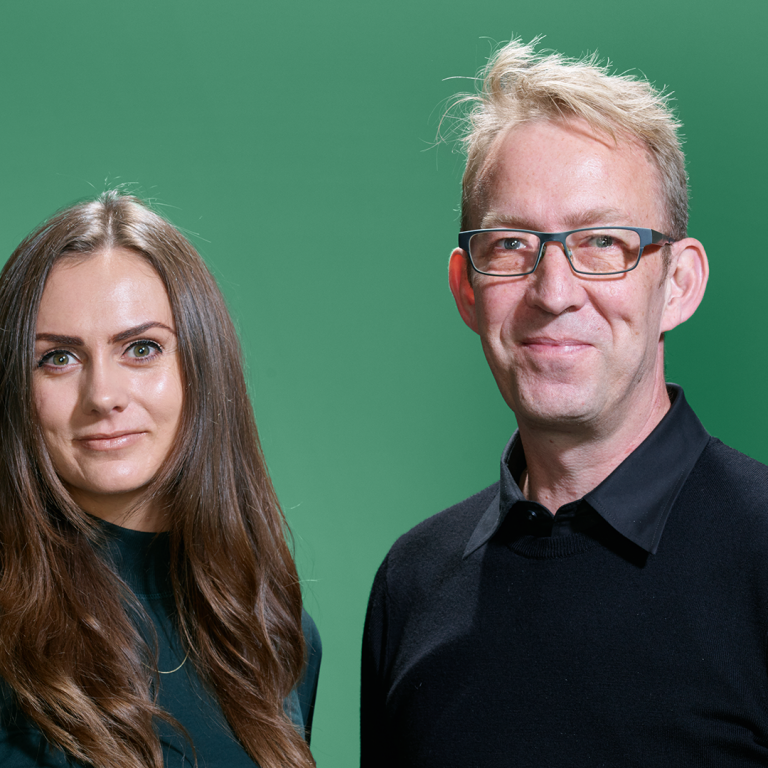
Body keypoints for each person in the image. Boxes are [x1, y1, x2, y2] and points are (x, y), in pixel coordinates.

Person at [361, 37, 768, 766]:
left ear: (677, 283)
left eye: (603, 243)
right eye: (513, 245)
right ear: (468, 288)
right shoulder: (412, 584)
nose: (553, 293)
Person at [0, 191, 320, 768]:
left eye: (141, 349)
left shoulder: (269, 628)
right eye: (57, 358)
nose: (102, 396)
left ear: (200, 367)